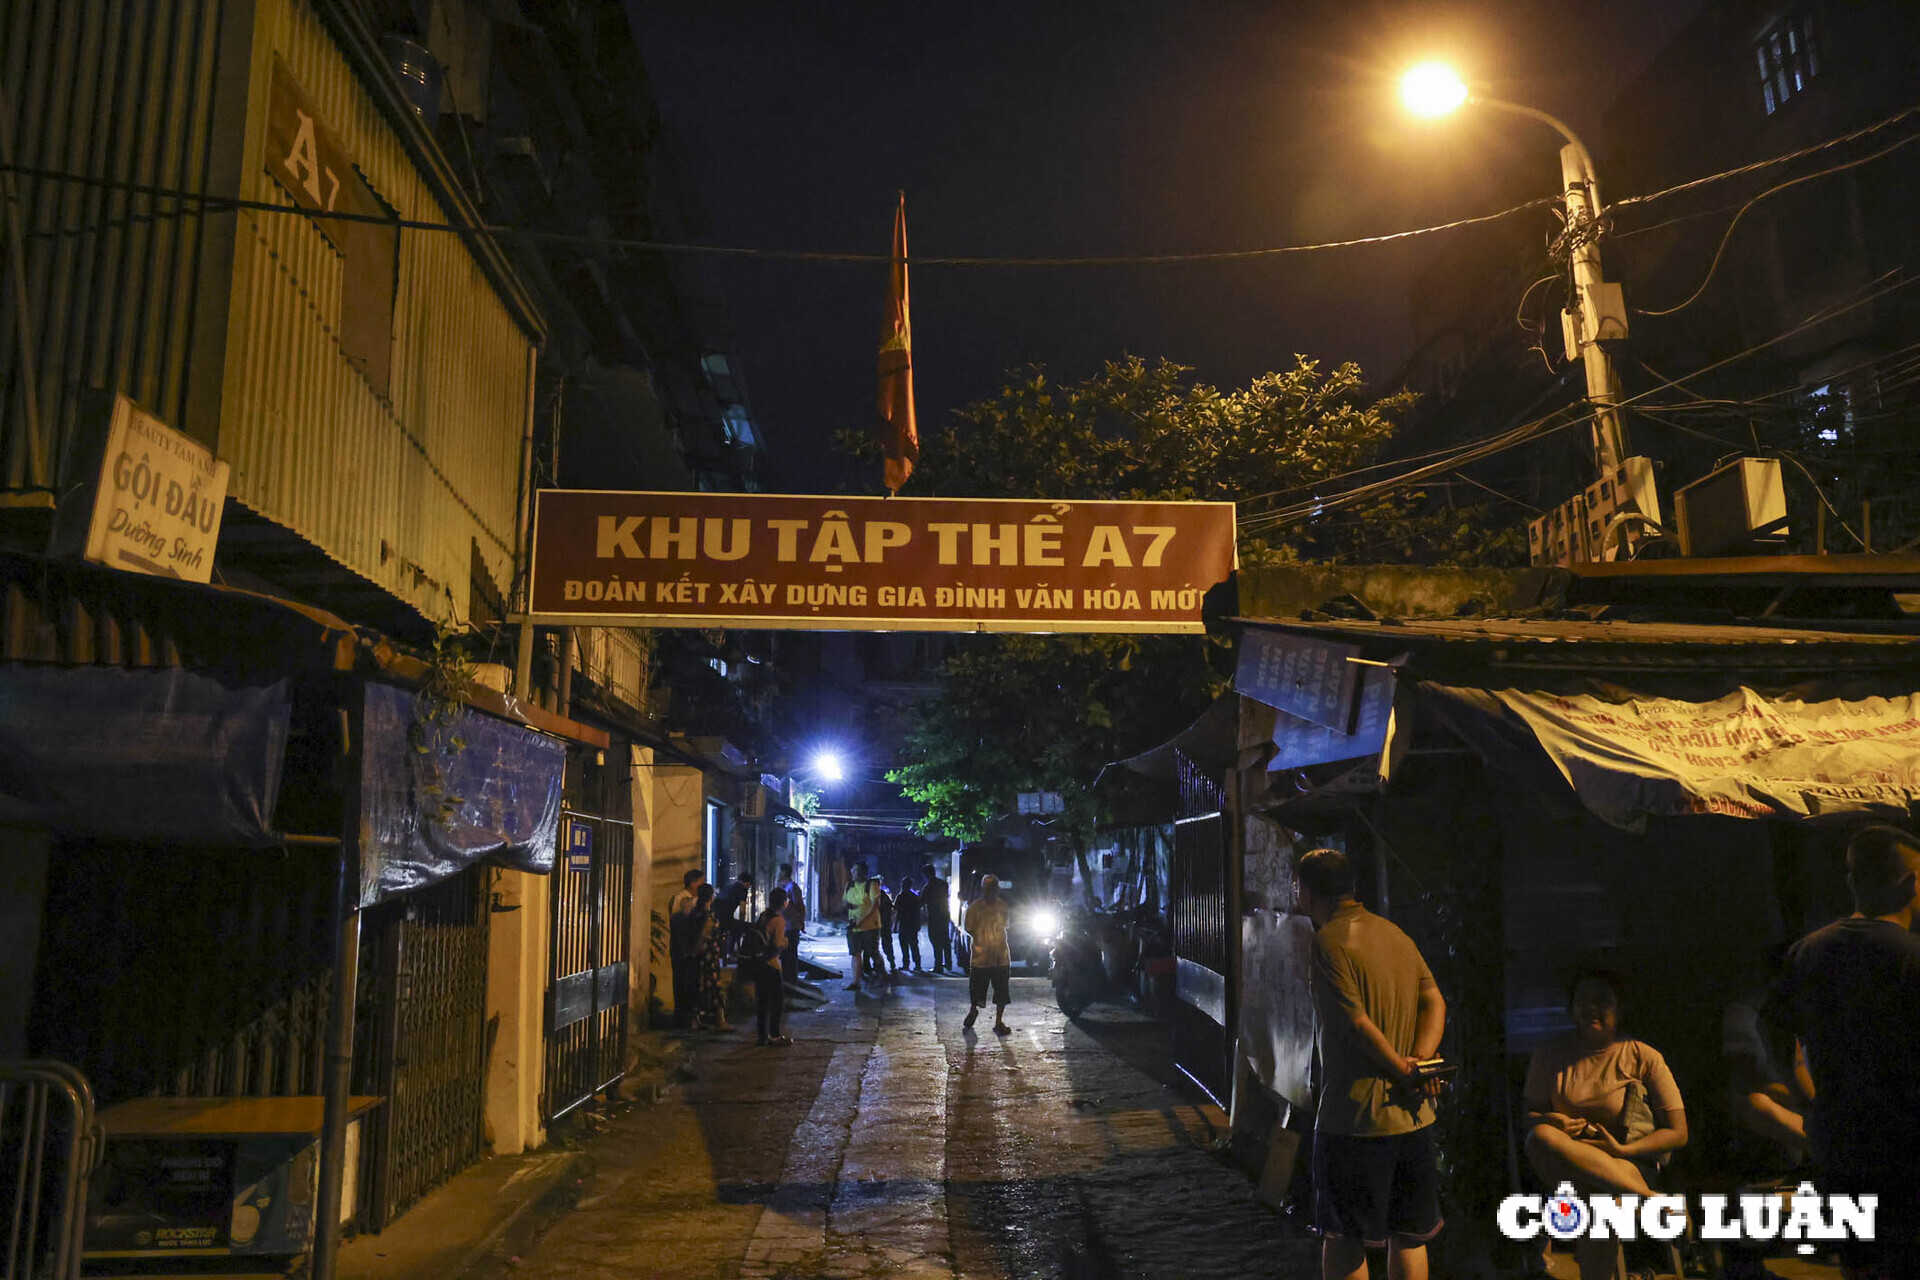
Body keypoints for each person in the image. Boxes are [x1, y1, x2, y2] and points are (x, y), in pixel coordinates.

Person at [1767, 824, 1920, 1280]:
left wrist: (1809, 1099)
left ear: (1853, 881)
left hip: (1838, 1139)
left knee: (1859, 1264)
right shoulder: (1912, 955)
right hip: (1906, 1145)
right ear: (1911, 884)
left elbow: (1774, 1033)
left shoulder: (1806, 952)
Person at [1293, 846, 1445, 1280]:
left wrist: (1402, 1067)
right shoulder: (1395, 934)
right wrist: (1422, 1062)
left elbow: (1354, 1023)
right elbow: (1434, 999)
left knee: (1344, 1240)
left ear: (1305, 891)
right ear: (1352, 887)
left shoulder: (1328, 942)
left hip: (1354, 1120)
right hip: (1414, 1117)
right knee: (1410, 1236)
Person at [1523, 969, 1688, 1280]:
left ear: (1620, 1008)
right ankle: (1651, 1201)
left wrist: (1625, 1149)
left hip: (1627, 1164)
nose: (1590, 1008)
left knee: (1601, 1204)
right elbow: (1529, 1119)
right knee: (1539, 1135)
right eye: (1582, 1000)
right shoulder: (1549, 1055)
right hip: (1567, 1162)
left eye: (1602, 1000)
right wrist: (1549, 1119)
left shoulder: (1643, 1056)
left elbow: (1678, 1132)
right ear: (1570, 1008)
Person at [741, 887, 792, 1047]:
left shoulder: (764, 916)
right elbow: (778, 943)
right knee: (776, 1001)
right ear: (784, 903)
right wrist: (786, 942)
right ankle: (775, 1035)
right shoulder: (779, 920)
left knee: (762, 1002)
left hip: (759, 963)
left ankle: (762, 1036)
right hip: (771, 964)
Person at [962, 874, 1013, 1033]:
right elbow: (968, 928)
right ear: (984, 889)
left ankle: (998, 1022)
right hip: (981, 957)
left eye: (993, 889)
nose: (991, 892)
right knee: (977, 989)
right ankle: (973, 1009)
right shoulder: (975, 907)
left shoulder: (1003, 906)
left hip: (1000, 957)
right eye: (989, 889)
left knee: (1002, 992)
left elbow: (1007, 924)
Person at [689, 882, 730, 1032]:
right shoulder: (707, 914)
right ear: (710, 897)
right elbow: (704, 933)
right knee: (715, 986)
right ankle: (720, 1020)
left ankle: (696, 1020)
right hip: (708, 954)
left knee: (699, 986)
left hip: (699, 954)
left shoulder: (695, 912)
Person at [668, 869, 705, 1029]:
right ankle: (683, 1018)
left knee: (693, 984)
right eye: (701, 881)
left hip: (692, 949)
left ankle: (693, 1018)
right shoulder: (681, 899)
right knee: (683, 983)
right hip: (682, 949)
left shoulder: (696, 898)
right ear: (693, 882)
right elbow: (680, 926)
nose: (703, 884)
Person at [843, 861, 883, 992]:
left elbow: (874, 905)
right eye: (853, 871)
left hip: (870, 926)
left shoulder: (871, 885)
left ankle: (881, 976)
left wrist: (862, 919)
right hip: (853, 925)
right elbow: (845, 902)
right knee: (855, 953)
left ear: (863, 873)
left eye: (856, 871)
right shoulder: (849, 885)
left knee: (872, 952)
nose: (854, 873)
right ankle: (856, 981)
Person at [777, 863, 806, 986]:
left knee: (790, 954)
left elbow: (800, 906)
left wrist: (801, 921)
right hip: (786, 925)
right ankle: (787, 978)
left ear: (783, 872)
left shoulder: (792, 887)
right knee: (785, 954)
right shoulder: (784, 887)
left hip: (791, 926)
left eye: (779, 871)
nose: (777, 873)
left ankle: (791, 980)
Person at [923, 862, 953, 973]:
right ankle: (949, 963)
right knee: (945, 940)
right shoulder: (943, 884)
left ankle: (938, 965)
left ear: (926, 874)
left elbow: (921, 901)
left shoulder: (928, 886)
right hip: (944, 915)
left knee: (936, 942)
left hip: (934, 917)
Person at [718, 872, 755, 959]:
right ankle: (738, 952)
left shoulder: (728, 887)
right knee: (748, 928)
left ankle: (728, 952)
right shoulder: (742, 889)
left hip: (717, 918)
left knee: (735, 927)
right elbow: (742, 910)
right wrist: (742, 920)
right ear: (747, 883)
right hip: (726, 919)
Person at [895, 874, 924, 972]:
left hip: (906, 924)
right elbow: (918, 911)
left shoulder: (901, 896)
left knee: (907, 945)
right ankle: (916, 964)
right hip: (910, 925)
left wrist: (895, 925)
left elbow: (896, 912)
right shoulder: (914, 897)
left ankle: (908, 964)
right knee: (912, 945)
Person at [874, 877, 898, 973]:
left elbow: (890, 909)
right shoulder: (882, 895)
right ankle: (888, 963)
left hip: (879, 923)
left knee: (882, 945)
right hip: (880, 923)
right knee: (880, 945)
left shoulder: (881, 895)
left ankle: (889, 963)